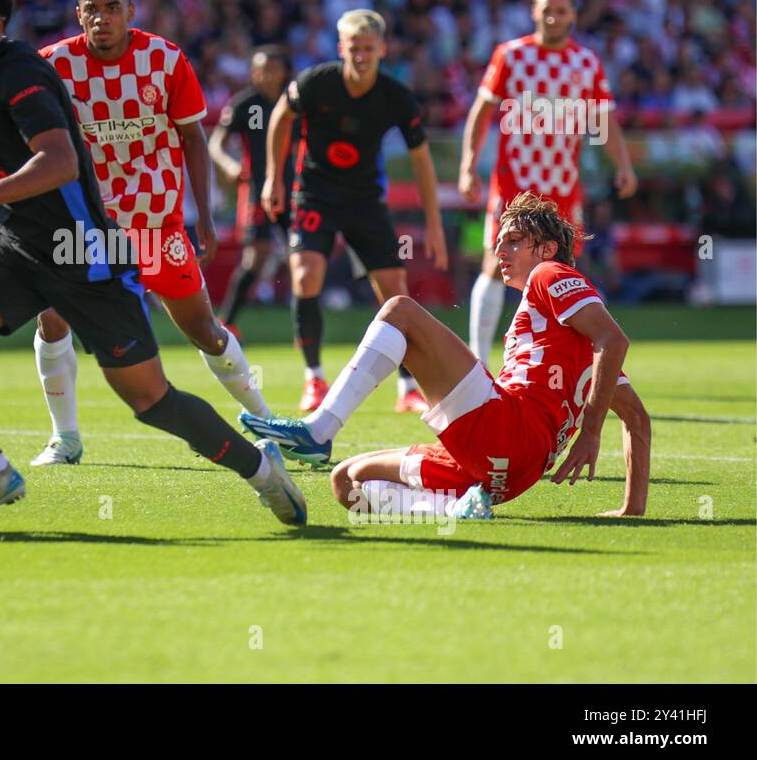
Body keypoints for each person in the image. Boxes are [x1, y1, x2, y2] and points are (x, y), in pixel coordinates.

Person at [0, 0, 305, 529]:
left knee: (152, 402)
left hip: (86, 254)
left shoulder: (24, 70)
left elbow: (60, 162)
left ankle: (262, 469)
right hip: (21, 250)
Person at [241, 193, 652, 520]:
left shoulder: (551, 274)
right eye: (498, 242)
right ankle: (457, 510)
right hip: (506, 476)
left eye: (512, 241)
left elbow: (613, 340)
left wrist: (592, 432)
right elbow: (637, 417)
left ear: (546, 249)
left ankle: (318, 432)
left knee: (400, 311)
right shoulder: (575, 344)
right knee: (347, 484)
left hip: (507, 429)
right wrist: (632, 507)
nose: (500, 251)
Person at [29, 0, 274, 466]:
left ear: (130, 11)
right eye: (92, 10)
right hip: (85, 227)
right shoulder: (52, 66)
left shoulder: (164, 59)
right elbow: (26, 137)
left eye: (112, 8)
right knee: (51, 318)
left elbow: (193, 137)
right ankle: (65, 437)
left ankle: (269, 424)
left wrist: (204, 215)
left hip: (155, 225)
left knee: (204, 330)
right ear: (78, 14)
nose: (102, 19)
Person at [262, 9, 448, 414]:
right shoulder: (316, 83)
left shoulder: (395, 96)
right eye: (354, 48)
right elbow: (280, 115)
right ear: (340, 47)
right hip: (314, 194)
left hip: (365, 201)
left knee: (394, 292)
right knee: (305, 275)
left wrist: (433, 221)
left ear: (382, 49)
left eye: (369, 48)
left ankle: (407, 386)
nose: (361, 56)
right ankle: (314, 378)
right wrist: (273, 178)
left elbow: (421, 159)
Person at [460, 0, 638, 365]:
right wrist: (468, 165)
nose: (553, 16)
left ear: (574, 15)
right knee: (495, 261)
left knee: (564, 266)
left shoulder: (587, 62)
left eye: (562, 9)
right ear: (533, 11)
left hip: (561, 182)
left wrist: (622, 165)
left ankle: (561, 360)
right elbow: (482, 111)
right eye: (547, 8)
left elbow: (603, 119)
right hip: (514, 181)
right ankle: (476, 362)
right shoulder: (511, 55)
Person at [209, 46, 296, 331]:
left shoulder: (295, 103)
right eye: (258, 70)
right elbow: (216, 144)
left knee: (304, 256)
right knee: (255, 257)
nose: (264, 76)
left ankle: (305, 325)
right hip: (258, 191)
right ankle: (227, 324)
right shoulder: (245, 104)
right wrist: (229, 166)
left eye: (270, 69)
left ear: (284, 72)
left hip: (294, 191)